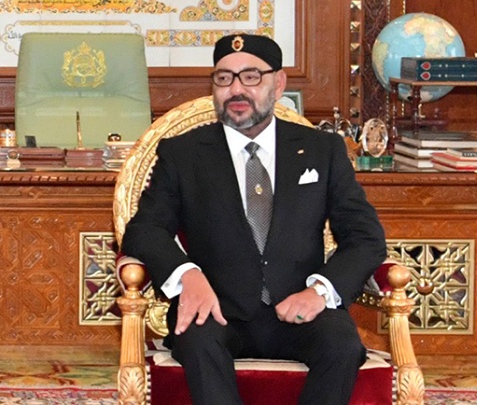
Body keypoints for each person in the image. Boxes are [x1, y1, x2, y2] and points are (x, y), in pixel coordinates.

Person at [121, 33, 387, 405]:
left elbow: (365, 236)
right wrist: (188, 276)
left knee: (341, 344)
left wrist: (320, 292)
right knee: (198, 342)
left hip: (299, 305)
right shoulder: (183, 153)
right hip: (215, 308)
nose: (236, 90)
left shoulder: (320, 150)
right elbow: (144, 229)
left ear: (278, 84)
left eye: (250, 77)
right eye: (224, 78)